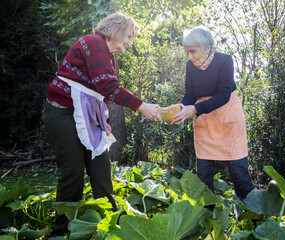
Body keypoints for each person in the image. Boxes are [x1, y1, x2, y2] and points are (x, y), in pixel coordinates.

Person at [42, 12, 161, 236]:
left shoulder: (109, 57)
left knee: (101, 171)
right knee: (73, 173)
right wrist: (142, 106)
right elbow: (107, 85)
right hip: (62, 113)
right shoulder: (93, 43)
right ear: (115, 29)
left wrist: (105, 122)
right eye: (128, 36)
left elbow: (98, 95)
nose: (129, 42)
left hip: (89, 118)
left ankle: (109, 226)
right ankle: (61, 231)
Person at [172, 26, 254, 203]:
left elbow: (224, 95)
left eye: (193, 51)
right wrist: (180, 109)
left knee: (238, 171)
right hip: (204, 121)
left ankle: (254, 218)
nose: (189, 57)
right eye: (187, 52)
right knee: (203, 175)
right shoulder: (190, 66)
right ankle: (205, 219)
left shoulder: (225, 60)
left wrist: (194, 109)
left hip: (228, 117)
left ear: (207, 47)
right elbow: (190, 95)